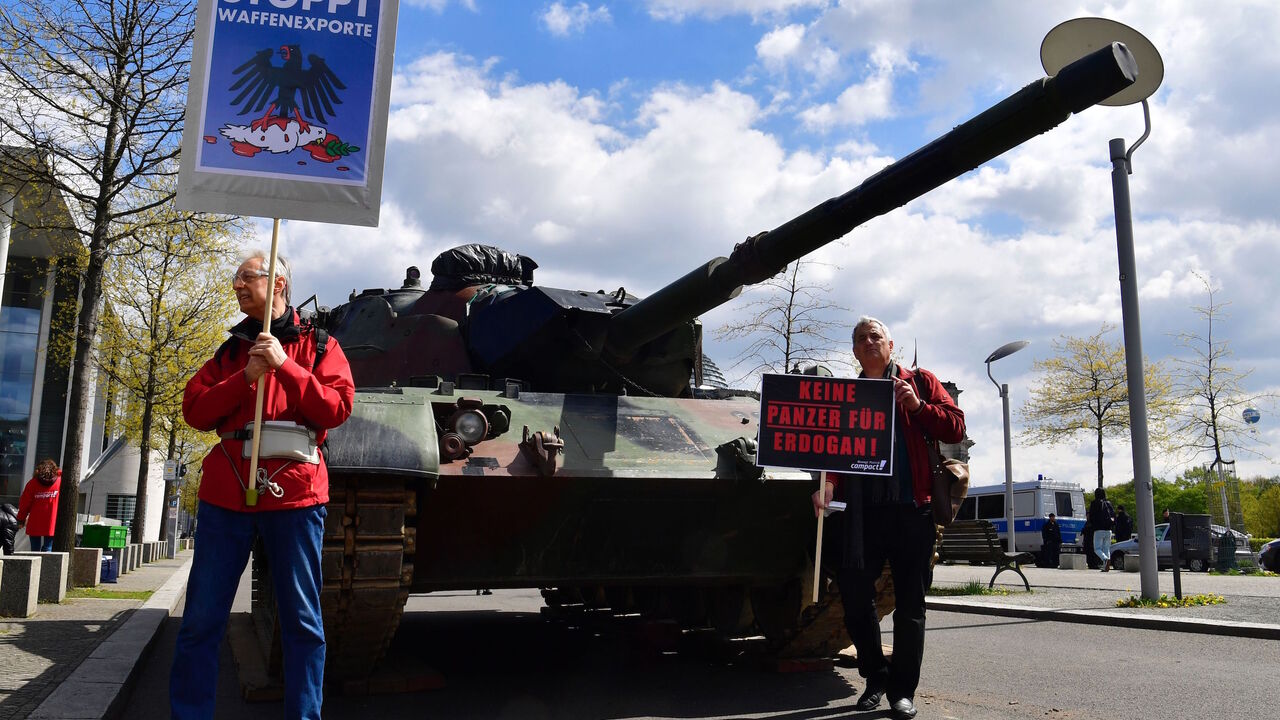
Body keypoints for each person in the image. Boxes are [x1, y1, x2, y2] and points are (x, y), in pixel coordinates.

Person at [170, 251, 354, 720]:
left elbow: (336, 409)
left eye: (244, 278)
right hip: (226, 495)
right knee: (200, 622)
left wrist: (286, 368)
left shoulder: (320, 346)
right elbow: (196, 412)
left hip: (295, 495)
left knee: (303, 623)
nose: (235, 286)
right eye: (235, 279)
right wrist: (246, 377)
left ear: (277, 284)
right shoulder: (230, 353)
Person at [812, 316, 965, 720]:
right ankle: (875, 677)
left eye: (875, 336)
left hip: (911, 512)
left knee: (911, 606)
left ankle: (902, 691)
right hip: (861, 515)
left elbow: (955, 428)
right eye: (860, 339)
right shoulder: (847, 394)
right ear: (854, 351)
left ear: (890, 345)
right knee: (856, 602)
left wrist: (917, 406)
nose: (868, 342)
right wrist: (828, 486)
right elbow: (833, 449)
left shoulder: (921, 382)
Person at [17, 459, 61, 551]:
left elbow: (24, 504)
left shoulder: (32, 483)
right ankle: (45, 565)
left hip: (35, 522)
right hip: (52, 522)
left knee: (34, 550)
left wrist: (21, 520)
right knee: (48, 548)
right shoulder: (60, 482)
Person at [1088, 487, 1116, 572]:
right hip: (1108, 530)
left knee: (1097, 549)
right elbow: (1113, 515)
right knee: (1106, 548)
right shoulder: (1108, 503)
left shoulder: (1094, 503)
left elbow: (1091, 516)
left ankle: (1105, 559)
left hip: (1098, 529)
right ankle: (1105, 565)